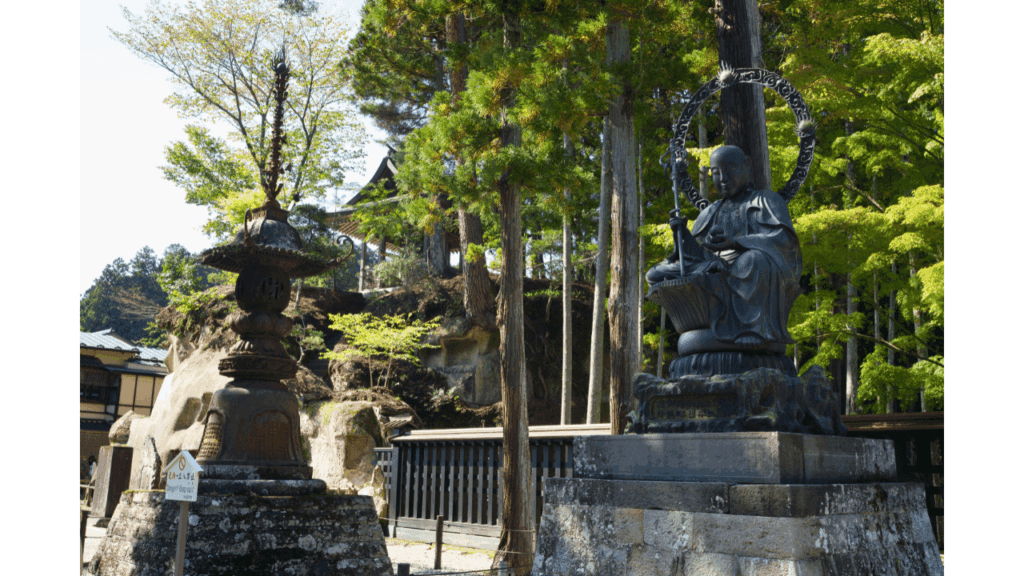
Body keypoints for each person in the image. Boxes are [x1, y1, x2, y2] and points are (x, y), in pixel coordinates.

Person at [646, 145, 802, 349]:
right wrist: (682, 234)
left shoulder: (766, 200)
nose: (723, 178)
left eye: (730, 169)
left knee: (752, 259)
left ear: (747, 165)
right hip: (712, 267)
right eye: (716, 172)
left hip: (747, 267)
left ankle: (750, 328)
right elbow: (695, 256)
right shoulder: (710, 212)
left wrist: (736, 242)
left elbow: (783, 242)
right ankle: (712, 280)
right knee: (654, 273)